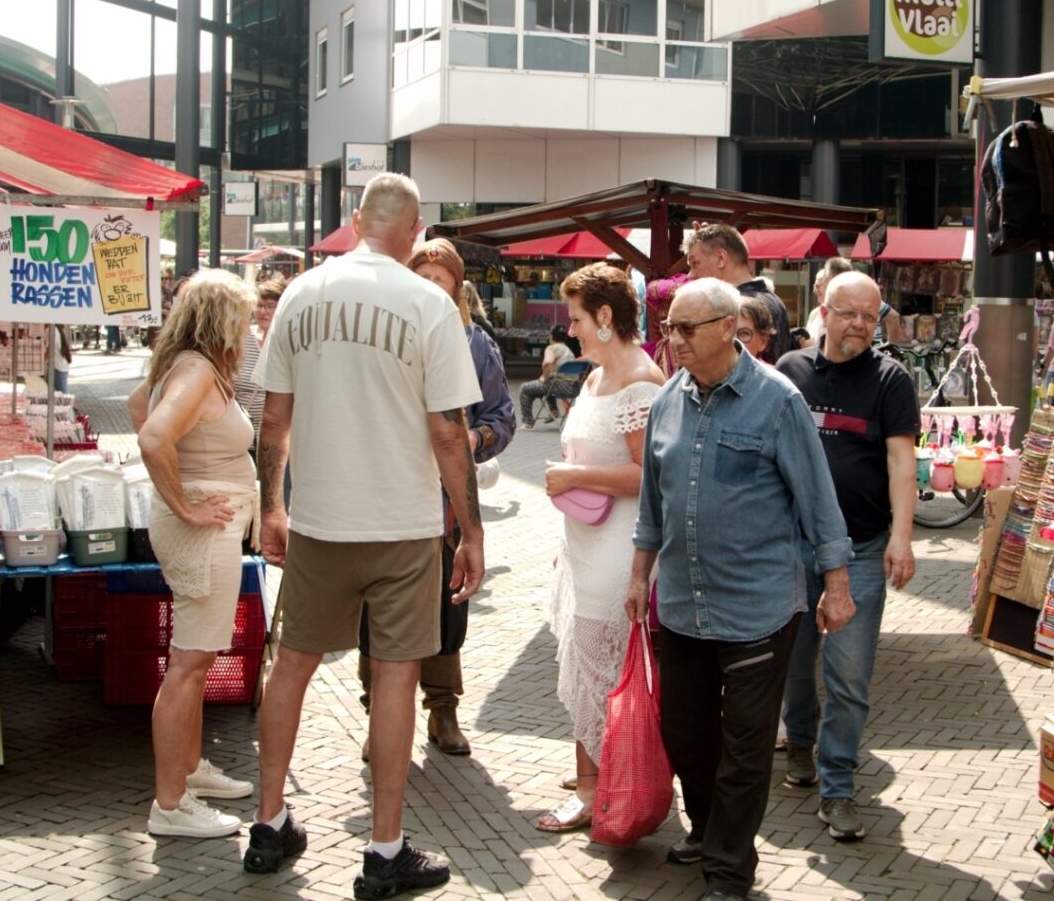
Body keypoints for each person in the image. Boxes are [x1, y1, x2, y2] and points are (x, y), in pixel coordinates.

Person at [249, 173, 484, 898]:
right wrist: (470, 529)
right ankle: (383, 852)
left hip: (320, 518)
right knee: (395, 673)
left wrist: (270, 509)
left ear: (356, 219)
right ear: (414, 231)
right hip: (404, 525)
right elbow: (449, 434)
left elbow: (272, 420)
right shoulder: (428, 303)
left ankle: (268, 825)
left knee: (291, 665)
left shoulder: (301, 293)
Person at [624, 277, 851, 901]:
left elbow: (818, 501)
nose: (673, 340)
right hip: (683, 606)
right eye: (669, 327)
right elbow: (652, 502)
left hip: (758, 608)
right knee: (687, 737)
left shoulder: (778, 402)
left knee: (747, 751)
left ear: (728, 328)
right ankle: (706, 826)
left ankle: (728, 870)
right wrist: (639, 573)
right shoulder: (667, 399)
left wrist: (836, 583)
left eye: (685, 328)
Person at [775, 271, 918, 842]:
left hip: (860, 549)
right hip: (792, 549)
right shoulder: (790, 372)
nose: (859, 324)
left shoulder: (892, 380)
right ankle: (801, 743)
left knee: (850, 675)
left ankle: (838, 788)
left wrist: (903, 538)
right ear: (824, 311)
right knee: (794, 662)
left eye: (870, 315)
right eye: (849, 312)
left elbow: (902, 465)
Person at [358, 240, 515, 759]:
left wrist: (474, 440)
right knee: (377, 606)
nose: (430, 286)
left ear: (455, 287)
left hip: (445, 502)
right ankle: (377, 715)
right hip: (385, 494)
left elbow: (501, 417)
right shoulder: (379, 337)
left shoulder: (474, 344)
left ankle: (443, 709)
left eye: (439, 279)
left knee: (448, 608)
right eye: (420, 276)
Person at [127, 270, 260, 839]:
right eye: (244, 318)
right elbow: (153, 435)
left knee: (198, 659)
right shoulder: (198, 369)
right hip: (206, 534)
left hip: (211, 530)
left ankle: (188, 769)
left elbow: (138, 407)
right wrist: (186, 505)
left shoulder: (181, 365)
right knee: (188, 665)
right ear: (220, 320)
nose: (250, 330)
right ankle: (171, 803)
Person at [537, 262, 664, 833]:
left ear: (607, 317)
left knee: (599, 665)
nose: (572, 331)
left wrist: (573, 479)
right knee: (589, 663)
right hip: (584, 543)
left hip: (618, 549)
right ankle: (603, 772)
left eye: (578, 320)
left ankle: (594, 790)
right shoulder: (593, 377)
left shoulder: (641, 380)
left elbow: (647, 476)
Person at [683, 224, 792, 362]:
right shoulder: (773, 299)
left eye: (695, 263)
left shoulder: (738, 306)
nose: (690, 275)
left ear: (720, 258)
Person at [236, 275, 289, 452]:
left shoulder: (288, 341)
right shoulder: (242, 338)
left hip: (277, 440)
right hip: (243, 437)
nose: (263, 311)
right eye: (259, 305)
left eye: (270, 306)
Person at [519, 327, 576, 429]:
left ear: (551, 337)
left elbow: (548, 362)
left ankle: (528, 422)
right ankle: (554, 410)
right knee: (547, 384)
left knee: (525, 388)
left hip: (558, 386)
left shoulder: (551, 348)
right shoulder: (568, 350)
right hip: (573, 388)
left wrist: (544, 377)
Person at [805, 256, 853, 345]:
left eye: (819, 285)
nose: (815, 290)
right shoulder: (815, 313)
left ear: (831, 279)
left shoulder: (850, 313)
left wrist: (813, 347)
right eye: (815, 286)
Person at [736, 297, 774, 363]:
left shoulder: (770, 373)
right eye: (727, 332)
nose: (734, 340)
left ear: (763, 341)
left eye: (744, 333)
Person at [51, 325, 73, 395]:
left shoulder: (52, 330)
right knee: (61, 394)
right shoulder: (56, 329)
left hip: (59, 368)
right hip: (61, 367)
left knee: (61, 396)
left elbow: (49, 349)